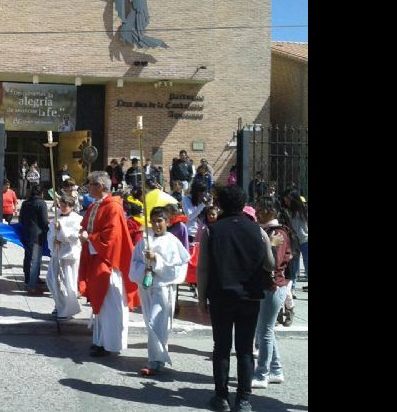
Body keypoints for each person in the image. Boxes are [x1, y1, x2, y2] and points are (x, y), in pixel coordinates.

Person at [197, 185, 275, 412]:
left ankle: (221, 398)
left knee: (221, 347)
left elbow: (203, 269)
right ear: (243, 204)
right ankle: (243, 400)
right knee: (245, 349)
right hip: (250, 297)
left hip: (221, 296)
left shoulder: (212, 231)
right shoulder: (257, 230)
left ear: (220, 204)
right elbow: (270, 264)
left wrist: (201, 298)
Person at [78, 171, 140, 357]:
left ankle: (111, 343)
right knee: (101, 304)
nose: (88, 188)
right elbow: (86, 226)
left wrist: (89, 238)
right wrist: (83, 234)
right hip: (97, 258)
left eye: (90, 184)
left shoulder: (113, 207)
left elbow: (111, 237)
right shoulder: (95, 204)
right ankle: (100, 341)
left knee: (111, 305)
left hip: (110, 262)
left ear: (101, 186)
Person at [128, 206, 190, 376]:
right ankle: (156, 359)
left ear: (167, 222)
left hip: (163, 288)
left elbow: (176, 267)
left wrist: (157, 260)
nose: (156, 225)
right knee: (150, 322)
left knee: (156, 322)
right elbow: (134, 262)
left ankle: (155, 360)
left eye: (160, 221)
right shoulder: (144, 241)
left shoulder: (172, 242)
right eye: (153, 221)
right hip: (147, 286)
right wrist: (145, 266)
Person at [251, 196, 293, 390]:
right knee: (266, 331)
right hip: (267, 286)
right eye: (257, 208)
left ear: (272, 211)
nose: (257, 212)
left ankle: (262, 374)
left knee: (264, 333)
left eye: (261, 209)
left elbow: (273, 263)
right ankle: (276, 370)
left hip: (273, 287)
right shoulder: (267, 231)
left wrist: (268, 245)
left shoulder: (277, 233)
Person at [46, 194, 83, 320]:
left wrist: (61, 231)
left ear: (71, 206)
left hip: (69, 255)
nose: (62, 208)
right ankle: (60, 304)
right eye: (61, 206)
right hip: (56, 253)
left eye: (65, 206)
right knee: (51, 280)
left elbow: (75, 236)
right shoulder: (57, 217)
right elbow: (50, 233)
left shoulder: (77, 219)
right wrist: (54, 239)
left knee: (68, 282)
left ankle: (68, 309)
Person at [19, 184, 48, 295]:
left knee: (27, 257)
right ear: (41, 193)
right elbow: (44, 221)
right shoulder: (41, 203)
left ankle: (28, 278)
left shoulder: (25, 203)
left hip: (26, 233)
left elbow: (21, 219)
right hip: (38, 235)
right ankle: (32, 283)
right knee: (36, 260)